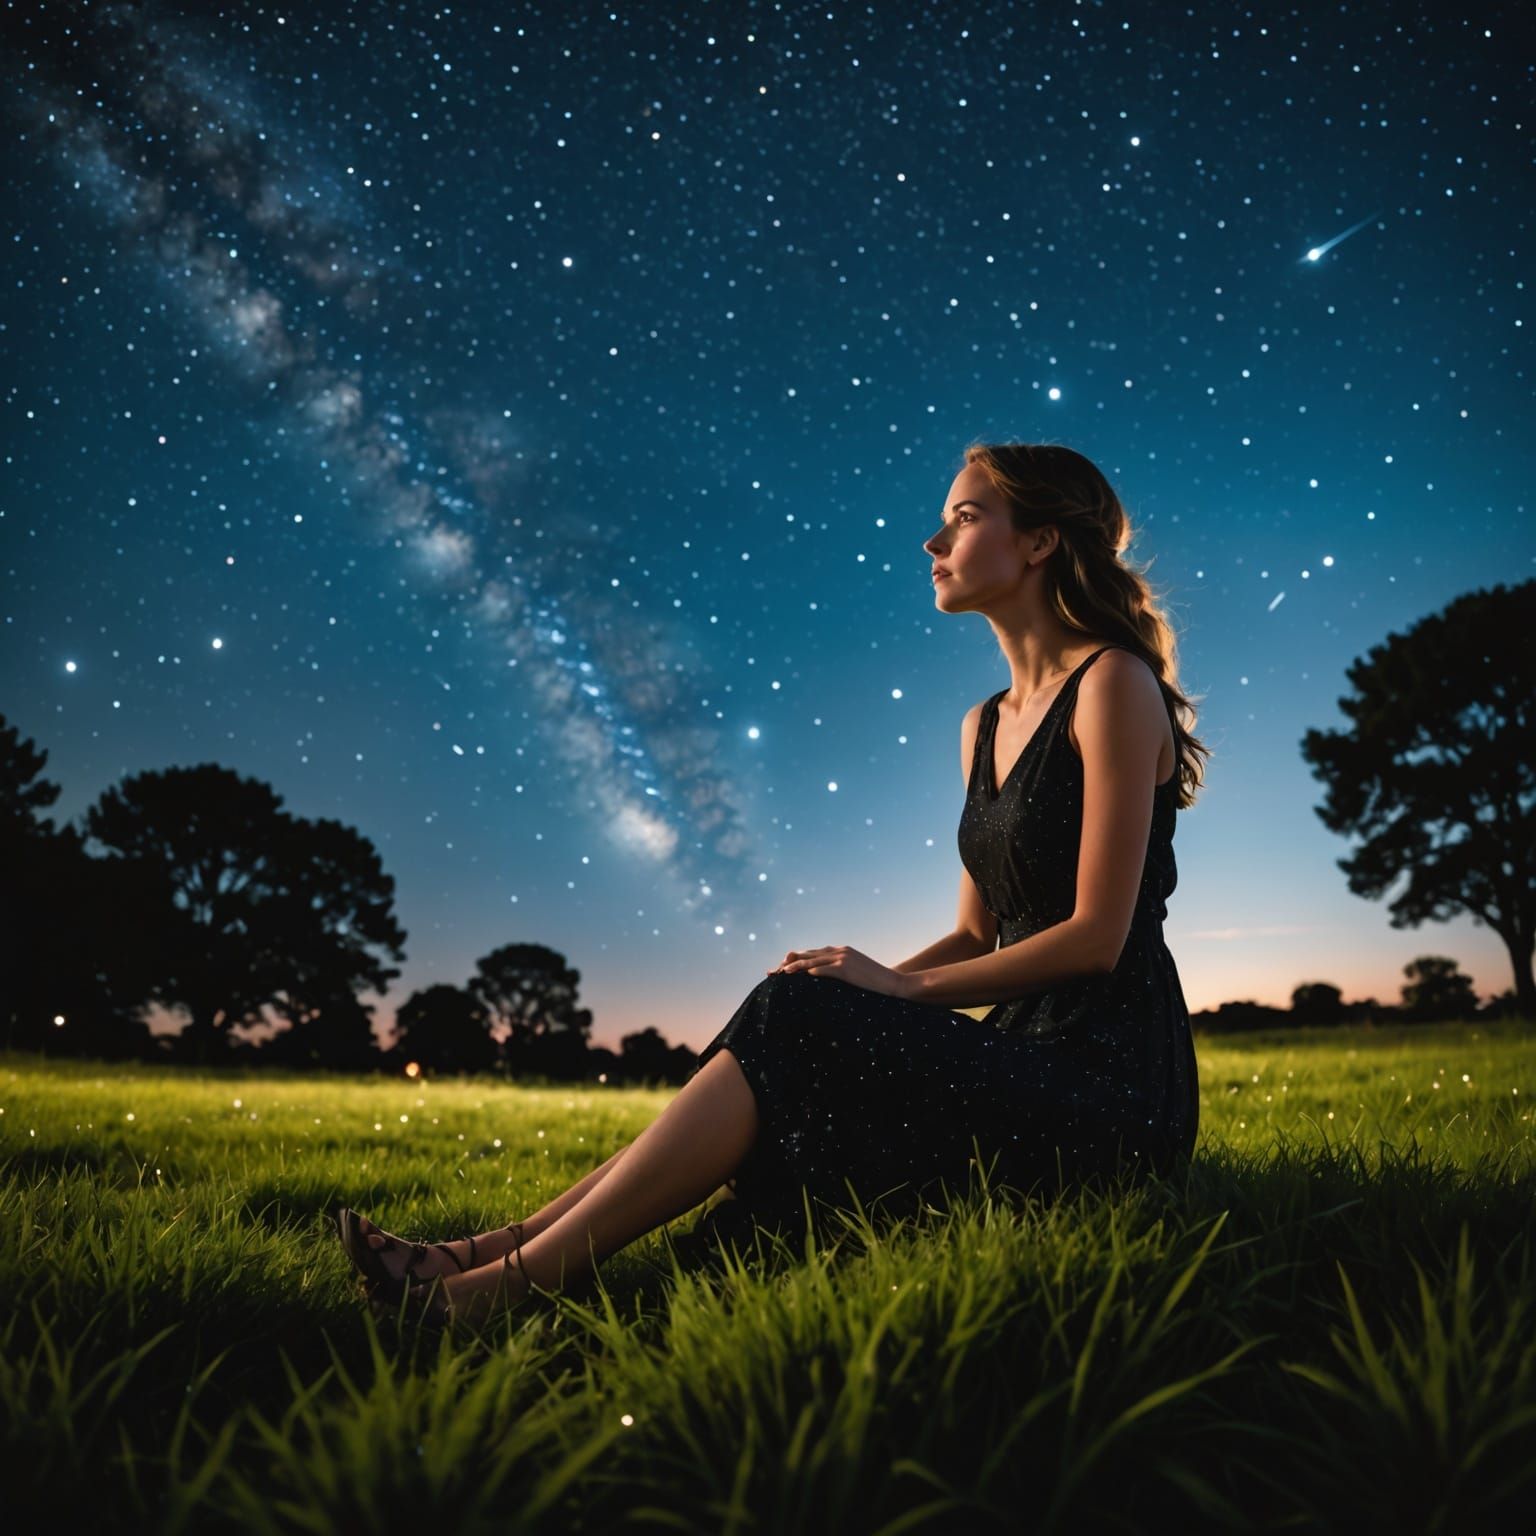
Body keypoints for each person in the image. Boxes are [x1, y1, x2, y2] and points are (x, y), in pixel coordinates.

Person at [337, 440, 1210, 1331]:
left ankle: (492, 1293)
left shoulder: (1114, 685)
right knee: (794, 1014)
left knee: (800, 1032)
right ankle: (486, 1253)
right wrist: (858, 988)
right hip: (1014, 1055)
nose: (932, 542)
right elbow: (973, 932)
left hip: (1111, 1086)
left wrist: (900, 990)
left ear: (1039, 543)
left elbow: (1098, 937)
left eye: (964, 515)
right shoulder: (981, 726)